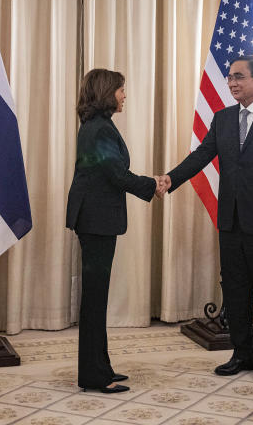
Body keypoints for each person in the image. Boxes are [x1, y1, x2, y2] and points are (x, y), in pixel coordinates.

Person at [159, 55, 253, 382]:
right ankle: (240, 352)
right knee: (235, 290)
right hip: (231, 222)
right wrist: (170, 178)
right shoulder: (222, 118)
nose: (232, 83)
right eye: (230, 78)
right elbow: (202, 156)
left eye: (239, 76)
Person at [66, 68, 168, 393]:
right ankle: (95, 376)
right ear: (107, 92)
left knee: (97, 297)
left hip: (95, 218)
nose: (124, 96)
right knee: (95, 299)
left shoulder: (98, 126)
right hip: (95, 221)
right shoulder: (99, 130)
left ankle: (101, 366)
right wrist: (152, 185)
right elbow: (116, 175)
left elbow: (113, 173)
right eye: (121, 90)